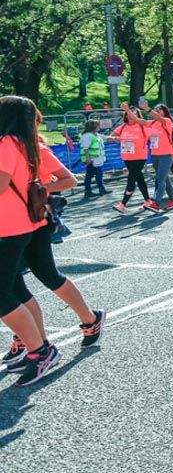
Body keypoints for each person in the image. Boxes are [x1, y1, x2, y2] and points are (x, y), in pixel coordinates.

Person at [0, 96, 105, 386]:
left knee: (19, 286)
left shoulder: (11, 144)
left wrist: (36, 188)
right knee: (25, 282)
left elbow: (2, 186)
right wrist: (38, 188)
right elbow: (65, 180)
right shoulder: (31, 146)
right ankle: (37, 341)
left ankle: (40, 346)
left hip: (17, 224)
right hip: (28, 222)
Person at [108, 103, 156, 214]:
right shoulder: (123, 127)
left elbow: (153, 135)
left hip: (139, 157)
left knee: (131, 178)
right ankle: (148, 201)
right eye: (129, 113)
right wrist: (115, 138)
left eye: (134, 113)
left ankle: (123, 204)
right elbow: (111, 137)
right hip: (127, 157)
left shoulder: (142, 126)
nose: (131, 115)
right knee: (139, 178)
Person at [147, 105, 173, 211]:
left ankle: (156, 202)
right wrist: (128, 111)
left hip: (166, 155)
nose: (156, 111)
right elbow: (140, 121)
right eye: (155, 109)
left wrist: (147, 108)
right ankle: (172, 200)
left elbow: (159, 118)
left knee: (160, 179)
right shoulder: (152, 124)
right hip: (155, 155)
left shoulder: (167, 120)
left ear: (165, 112)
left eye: (159, 109)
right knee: (164, 178)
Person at [79, 119, 108, 199]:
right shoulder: (87, 136)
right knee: (98, 174)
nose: (99, 126)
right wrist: (88, 159)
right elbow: (85, 148)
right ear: (93, 127)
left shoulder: (95, 135)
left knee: (90, 175)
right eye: (98, 125)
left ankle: (89, 191)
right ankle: (101, 190)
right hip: (92, 159)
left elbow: (106, 138)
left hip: (96, 159)